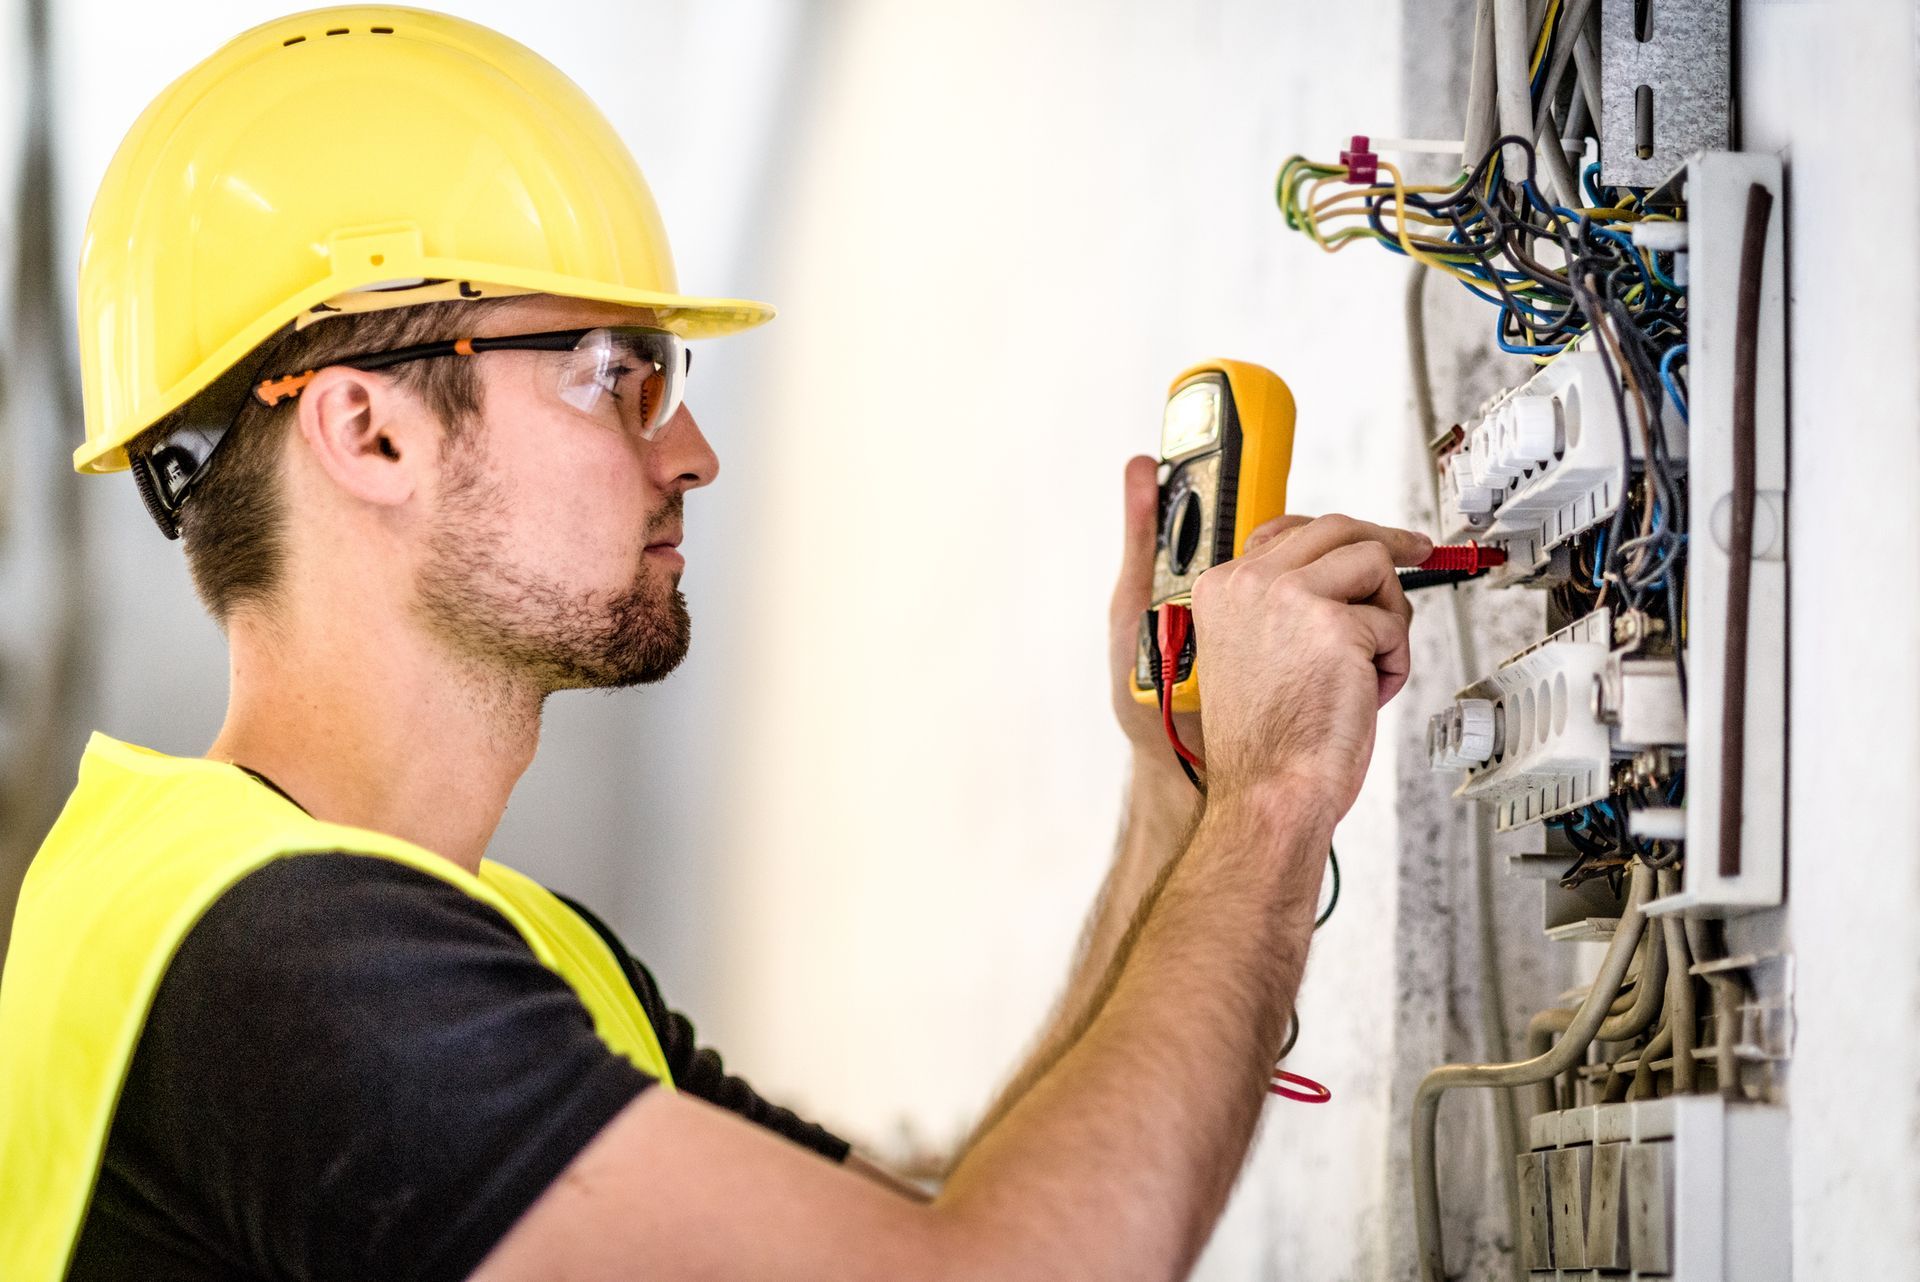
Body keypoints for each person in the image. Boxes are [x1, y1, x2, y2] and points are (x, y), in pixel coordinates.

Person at [0, 8, 1431, 1280]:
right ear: (370, 431)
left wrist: (1177, 795)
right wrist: (1275, 793)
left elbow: (948, 1226)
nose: (690, 451)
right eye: (617, 375)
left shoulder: (508, 948)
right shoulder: (273, 961)